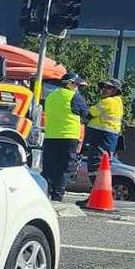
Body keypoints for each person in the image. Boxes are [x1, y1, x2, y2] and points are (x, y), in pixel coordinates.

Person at [42, 72, 89, 202]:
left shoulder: (50, 97)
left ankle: (46, 191)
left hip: (51, 136)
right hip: (68, 137)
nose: (78, 87)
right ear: (70, 84)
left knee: (50, 166)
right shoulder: (75, 97)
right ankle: (57, 195)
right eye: (77, 84)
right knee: (65, 167)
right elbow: (86, 114)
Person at [85, 78, 124, 187]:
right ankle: (96, 195)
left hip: (101, 138)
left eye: (109, 87)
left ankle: (97, 193)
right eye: (104, 87)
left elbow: (89, 113)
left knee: (96, 166)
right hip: (108, 139)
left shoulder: (108, 102)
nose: (104, 89)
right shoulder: (118, 103)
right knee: (103, 166)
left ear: (116, 90)